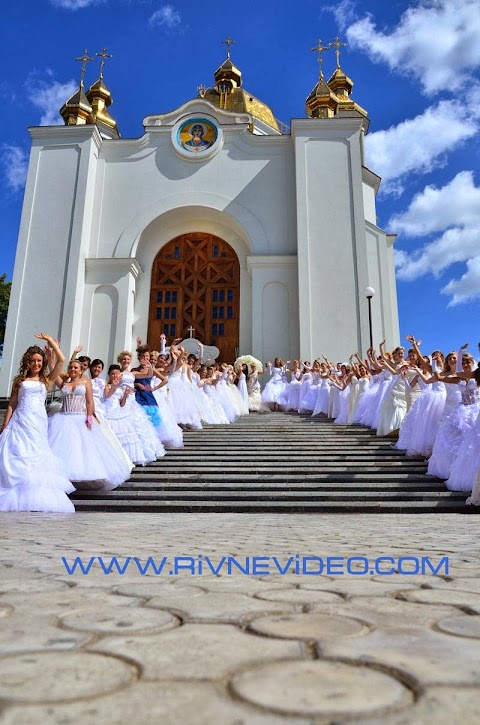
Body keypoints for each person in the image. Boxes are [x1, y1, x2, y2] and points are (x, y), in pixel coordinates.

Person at [0, 333, 75, 512]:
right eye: (33, 360)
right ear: (28, 362)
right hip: (20, 420)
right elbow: (12, 403)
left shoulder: (46, 380)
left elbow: (61, 361)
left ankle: (35, 495)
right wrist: (5, 425)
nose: (37, 364)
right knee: (17, 452)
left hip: (38, 423)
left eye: (40, 361)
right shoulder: (20, 381)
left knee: (36, 454)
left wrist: (50, 342)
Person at [48, 359, 131, 490]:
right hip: (63, 417)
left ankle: (79, 478)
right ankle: (64, 478)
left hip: (79, 417)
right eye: (71, 367)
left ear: (81, 370)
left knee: (81, 449)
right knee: (65, 448)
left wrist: (89, 416)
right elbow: (53, 369)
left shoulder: (86, 381)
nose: (73, 369)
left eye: (76, 368)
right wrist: (51, 354)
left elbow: (89, 401)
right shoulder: (64, 383)